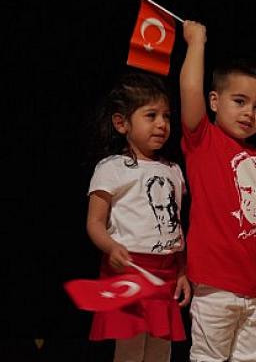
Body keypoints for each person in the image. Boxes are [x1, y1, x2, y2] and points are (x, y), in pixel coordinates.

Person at [179, 21, 256, 362]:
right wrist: (197, 43)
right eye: (240, 101)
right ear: (215, 101)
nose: (249, 113)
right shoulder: (203, 141)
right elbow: (190, 89)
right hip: (215, 286)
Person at [86, 71, 190, 361]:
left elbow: (175, 226)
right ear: (122, 123)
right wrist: (111, 247)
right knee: (130, 349)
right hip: (129, 269)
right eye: (151, 115)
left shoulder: (173, 170)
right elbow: (94, 222)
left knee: (160, 348)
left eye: (166, 116)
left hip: (165, 272)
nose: (162, 124)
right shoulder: (112, 168)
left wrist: (182, 270)